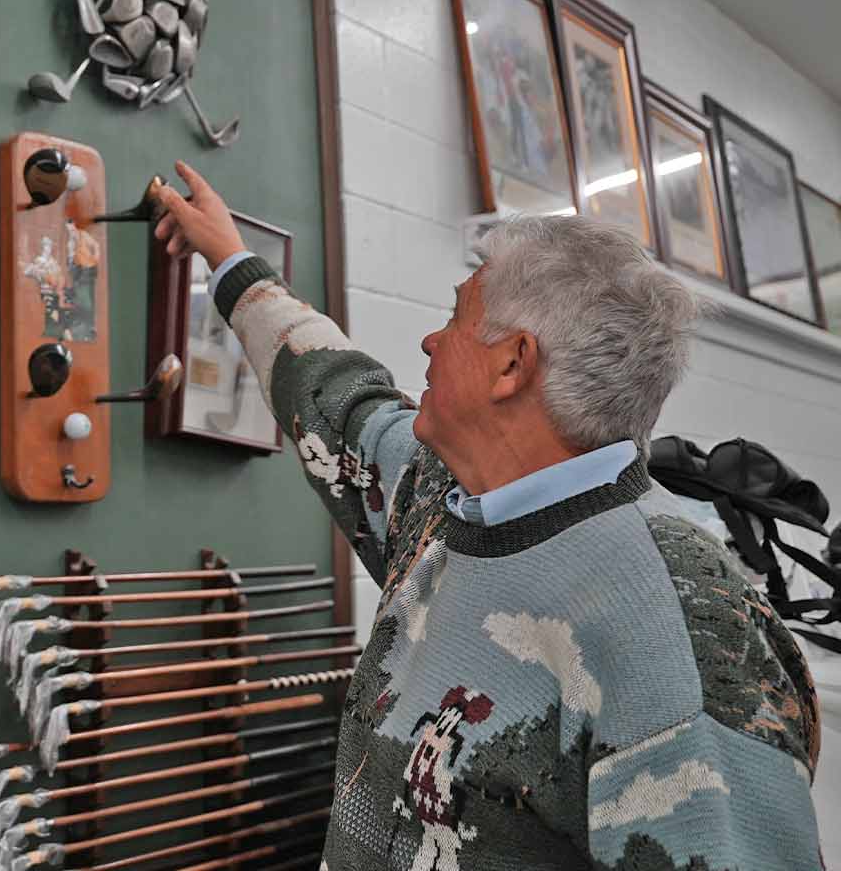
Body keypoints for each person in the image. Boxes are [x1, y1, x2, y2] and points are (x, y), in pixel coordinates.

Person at [152, 162, 822, 871]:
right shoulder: (441, 495)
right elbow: (332, 393)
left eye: (456, 318)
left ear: (512, 365)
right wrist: (230, 258)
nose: (431, 342)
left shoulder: (689, 623)